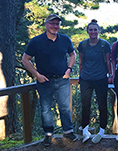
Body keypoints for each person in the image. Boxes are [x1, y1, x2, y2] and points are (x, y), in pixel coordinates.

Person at [21, 14, 77, 147]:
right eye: (52, 23)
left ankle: (68, 131)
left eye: (57, 24)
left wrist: (69, 69)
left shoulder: (65, 39)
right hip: (44, 80)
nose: (55, 26)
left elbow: (72, 54)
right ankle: (48, 134)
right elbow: (25, 59)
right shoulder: (36, 41)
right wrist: (36, 75)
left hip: (62, 79)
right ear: (46, 24)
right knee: (46, 109)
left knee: (64, 108)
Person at [77, 20, 112, 143]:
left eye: (95, 30)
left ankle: (101, 130)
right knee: (85, 104)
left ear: (99, 31)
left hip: (101, 78)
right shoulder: (83, 45)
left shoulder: (104, 44)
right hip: (86, 78)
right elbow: (81, 62)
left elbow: (108, 61)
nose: (93, 32)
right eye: (90, 30)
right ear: (87, 31)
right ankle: (85, 130)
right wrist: (80, 75)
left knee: (102, 104)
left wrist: (110, 74)